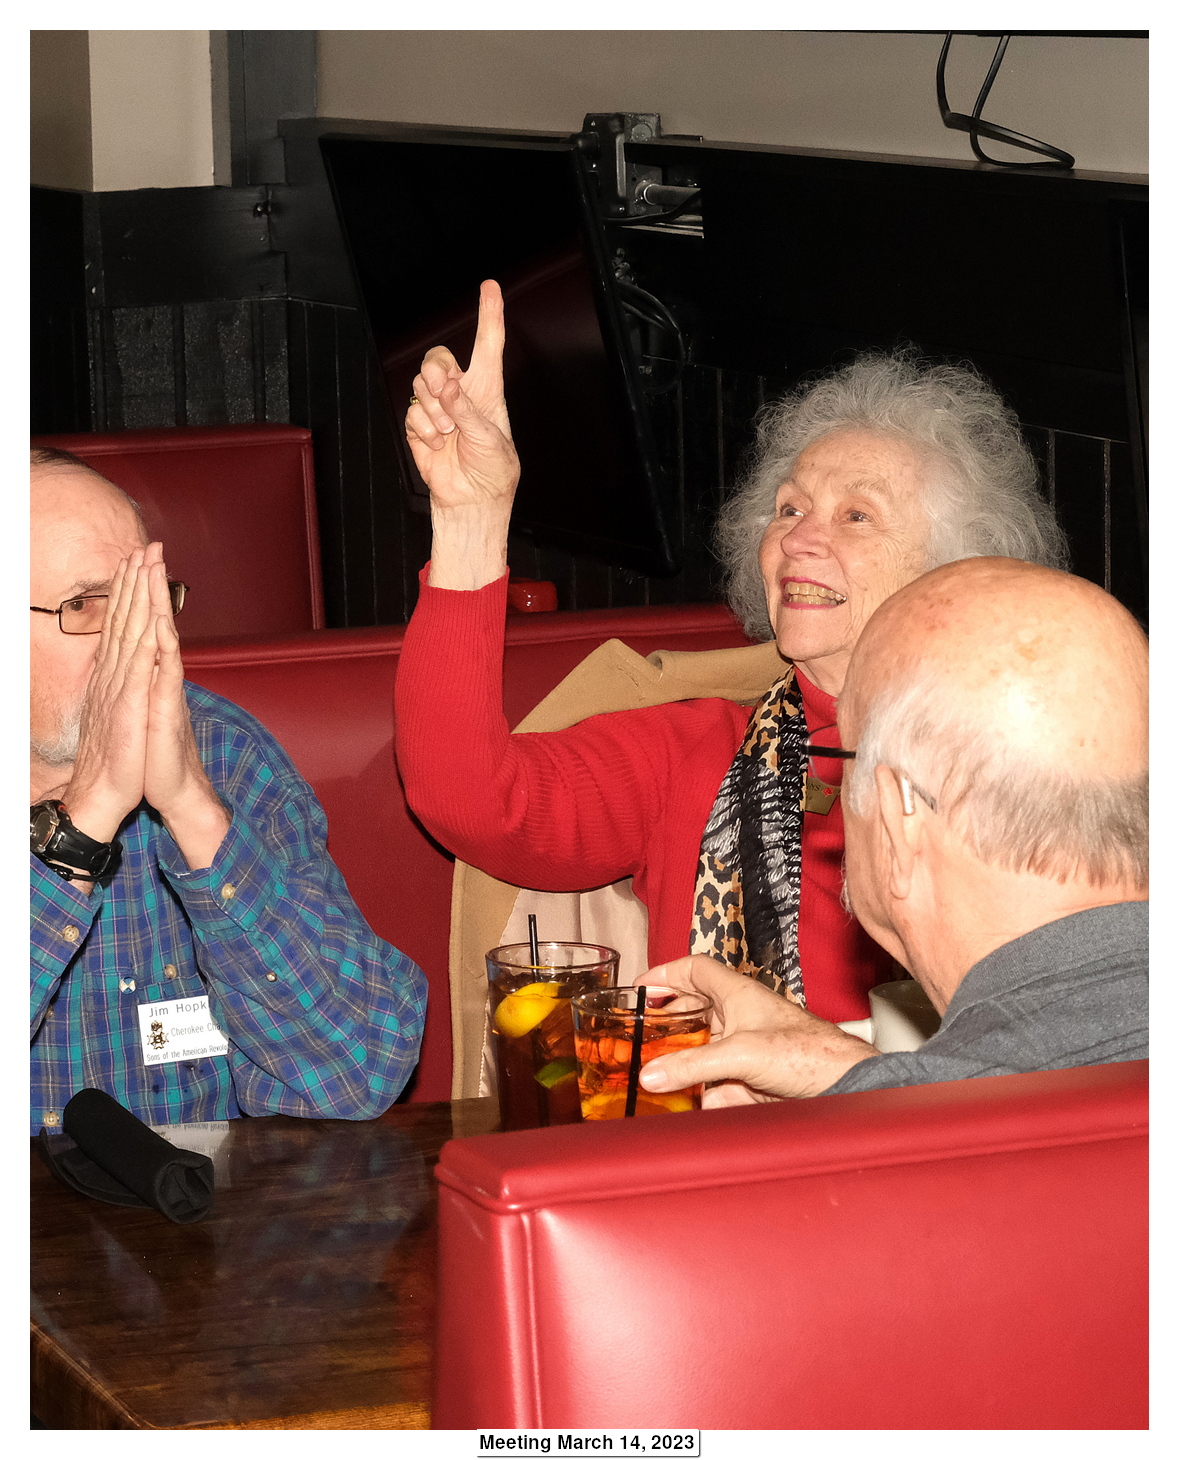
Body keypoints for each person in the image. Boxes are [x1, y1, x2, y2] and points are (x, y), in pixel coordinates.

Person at [395, 280, 1066, 1036]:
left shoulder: (1035, 766)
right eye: (788, 508)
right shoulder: (693, 753)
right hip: (719, 1112)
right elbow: (470, 798)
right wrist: (470, 518)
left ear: (954, 568)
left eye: (856, 515)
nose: (799, 538)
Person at [636, 556, 1148, 1105]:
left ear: (899, 819)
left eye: (847, 757)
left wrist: (872, 1097)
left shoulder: (943, 1136)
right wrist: (857, 1073)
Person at [30, 448, 427, 1133]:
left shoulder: (219, 752)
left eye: (146, 602)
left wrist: (193, 808)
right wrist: (84, 822)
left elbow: (361, 1074)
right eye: (88, 606)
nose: (138, 642)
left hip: (199, 1196)